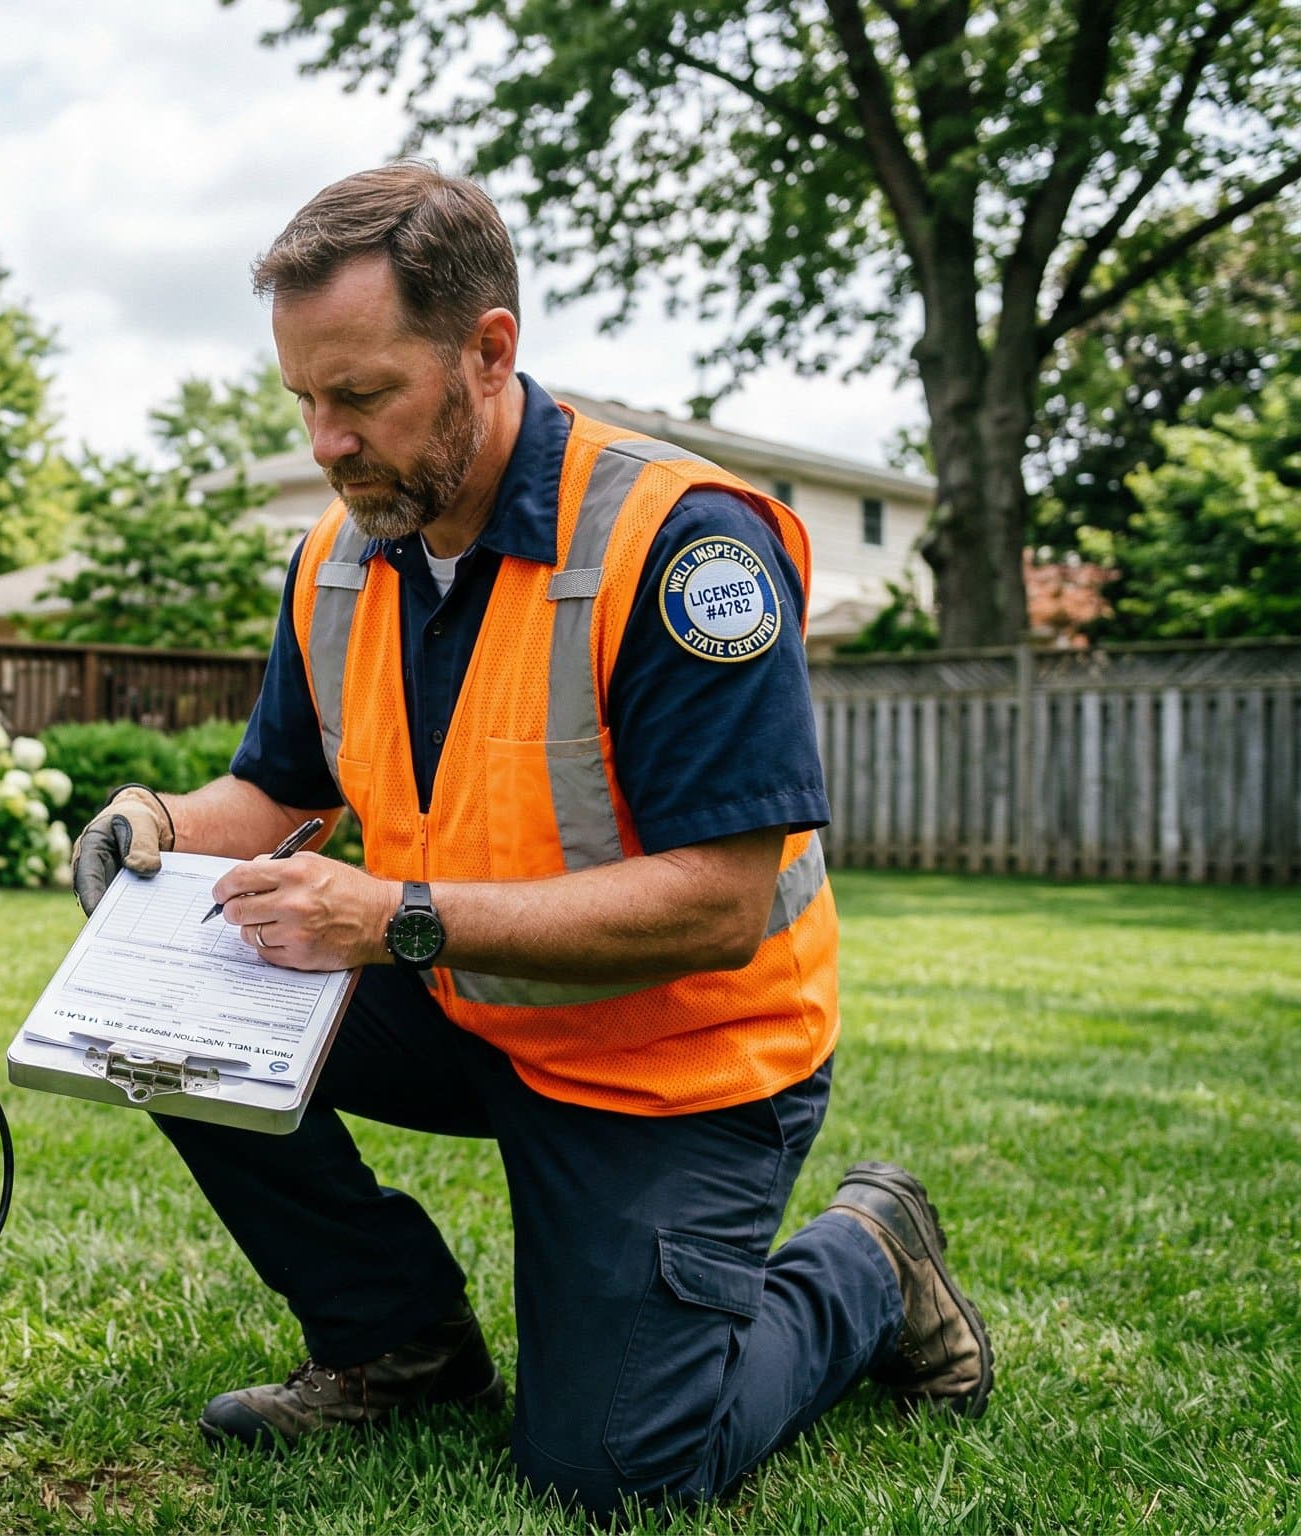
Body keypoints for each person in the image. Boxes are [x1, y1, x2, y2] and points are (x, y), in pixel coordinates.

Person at [68, 163, 991, 1517]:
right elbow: (273, 788)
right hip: (468, 997)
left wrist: (394, 919)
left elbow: (722, 903)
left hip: (677, 1054)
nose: (327, 443)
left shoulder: (682, 549)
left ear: (489, 351)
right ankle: (400, 1348)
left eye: (364, 396)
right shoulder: (343, 551)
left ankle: (871, 1255)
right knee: (163, 1019)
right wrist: (150, 826)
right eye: (307, 401)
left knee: (614, 1472)